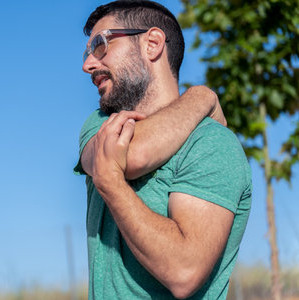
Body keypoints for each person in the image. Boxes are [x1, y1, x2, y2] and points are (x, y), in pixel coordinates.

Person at [74, 1, 251, 299]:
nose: (88, 64)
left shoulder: (212, 144)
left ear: (153, 43)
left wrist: (112, 184)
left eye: (100, 45)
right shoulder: (98, 124)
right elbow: (133, 155)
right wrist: (202, 97)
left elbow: (184, 272)